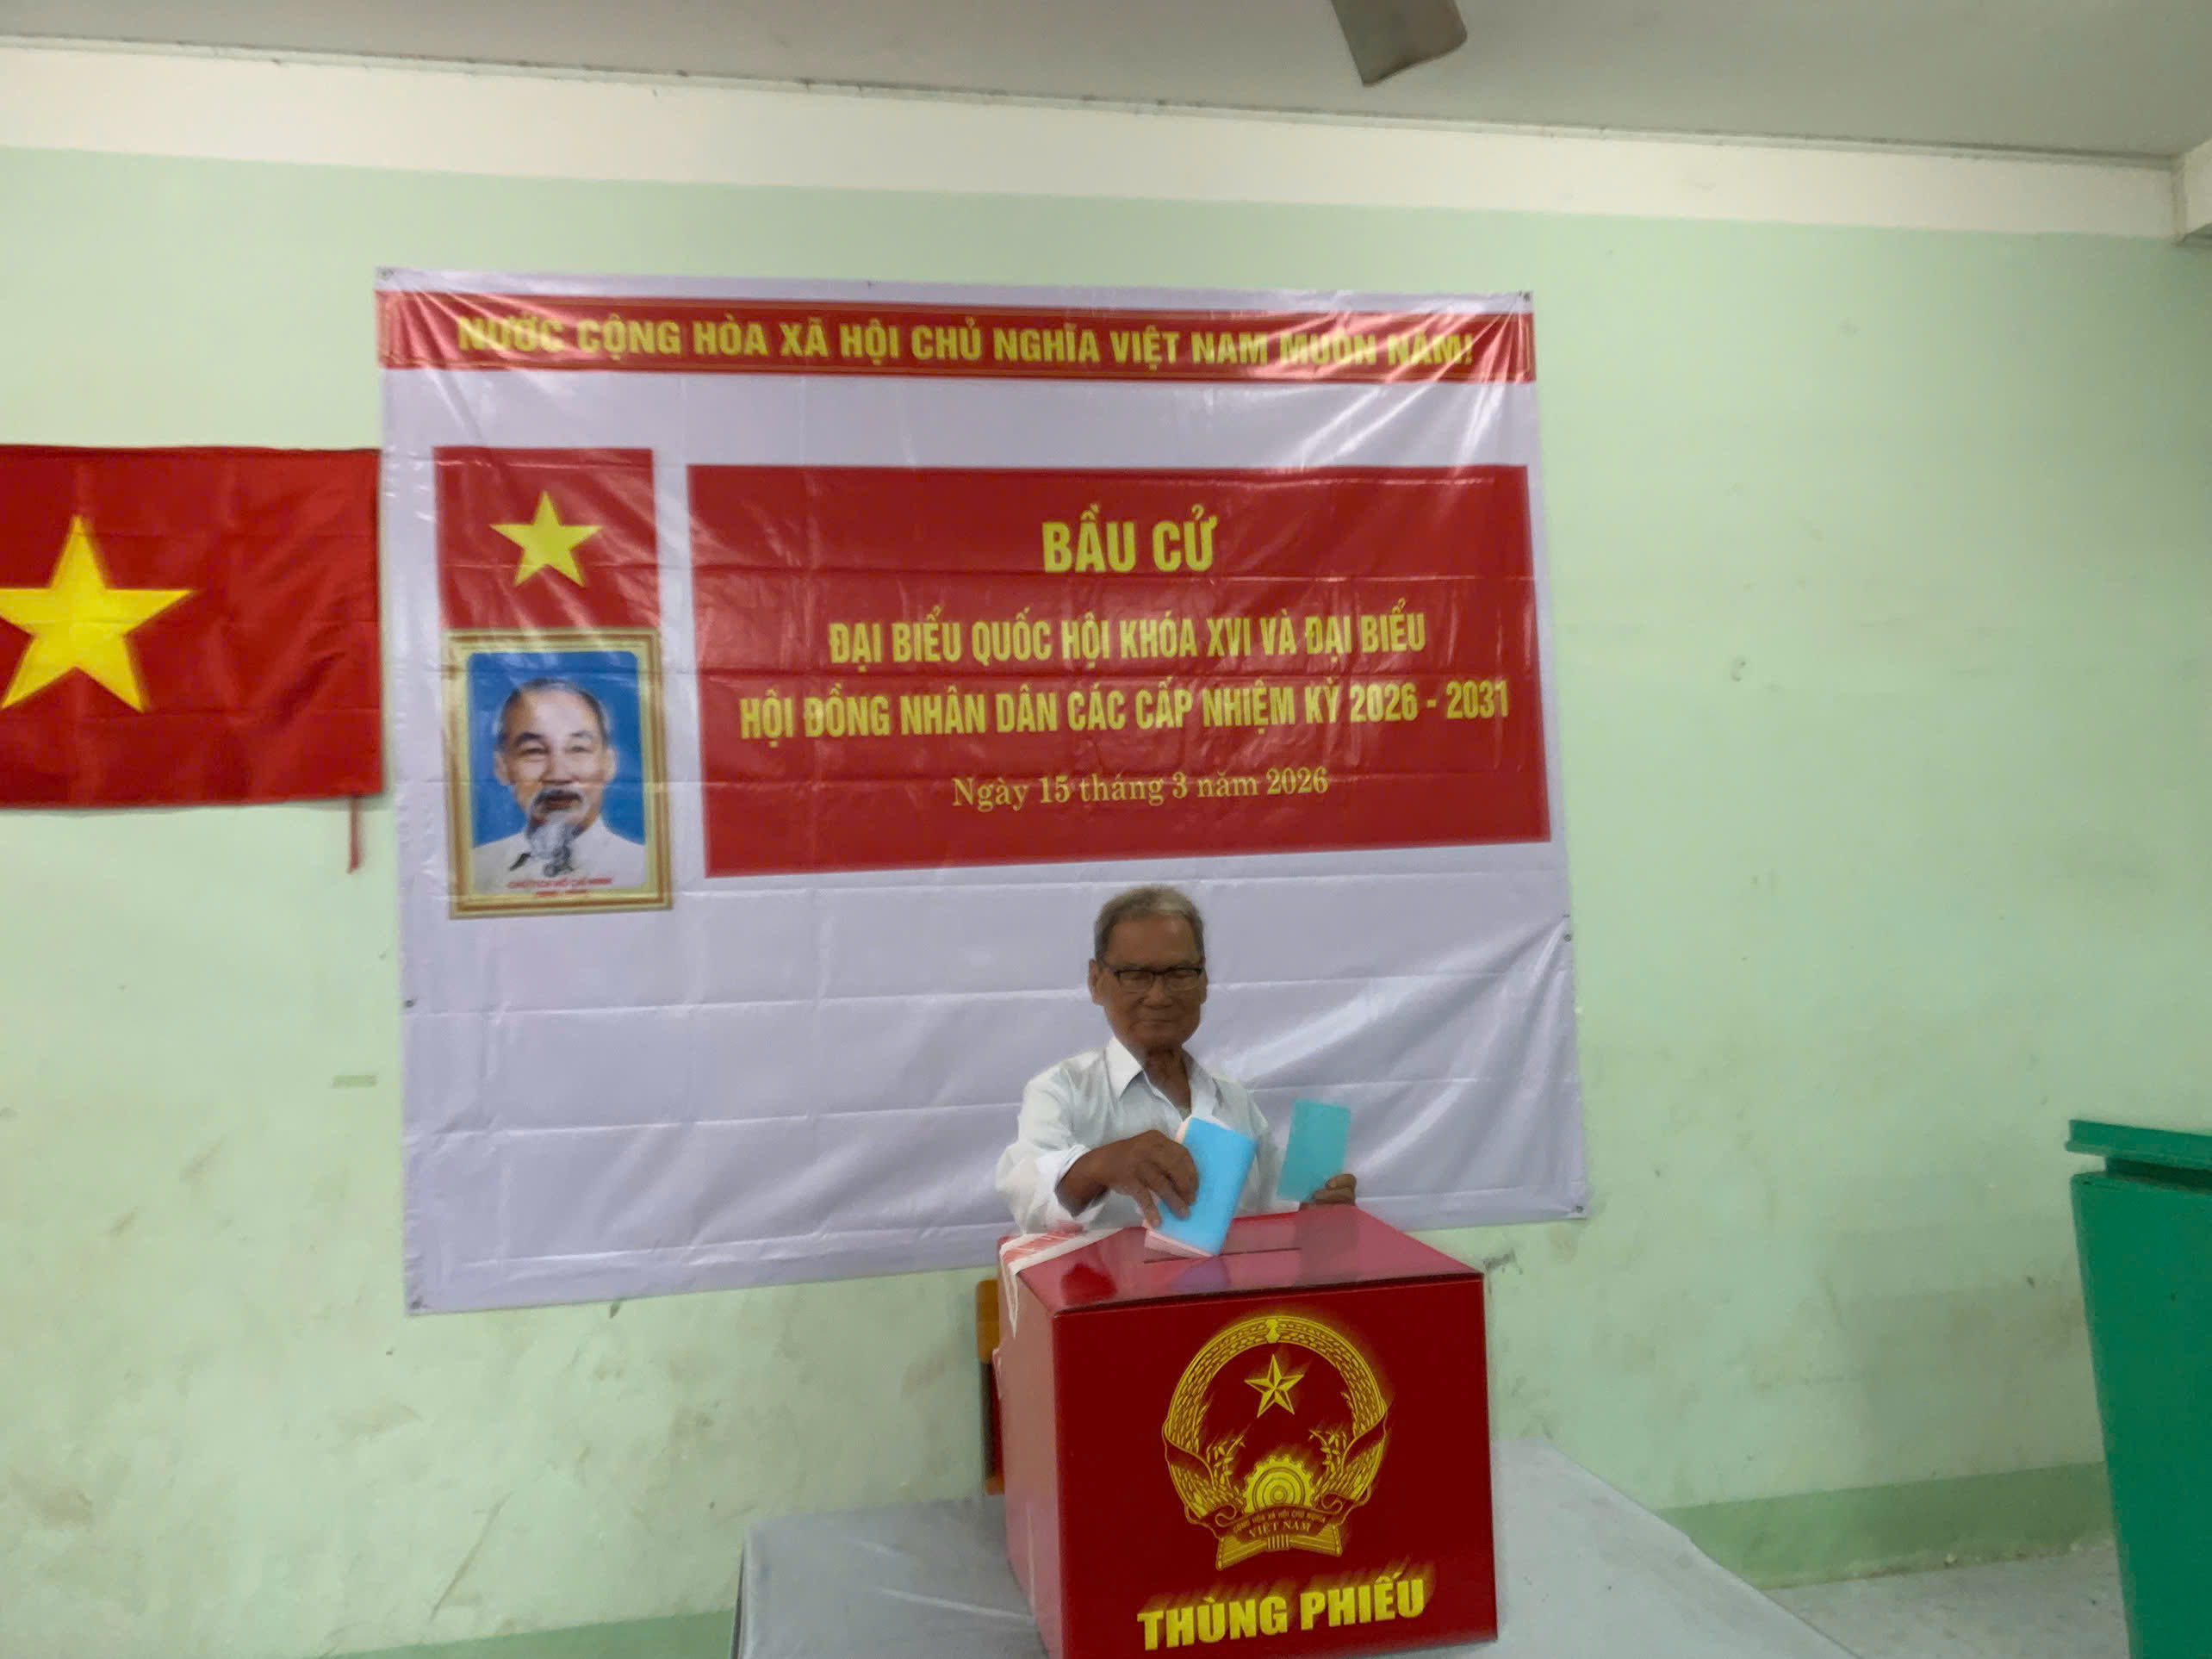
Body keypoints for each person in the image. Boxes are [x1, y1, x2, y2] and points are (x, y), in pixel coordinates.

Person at [996, 885, 1357, 1233]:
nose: (1158, 997)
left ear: (1203, 981)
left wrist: (1317, 1209)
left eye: (1179, 974)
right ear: (1096, 981)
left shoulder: (1232, 1100)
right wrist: (1099, 1166)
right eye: (1135, 975)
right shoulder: (1061, 1091)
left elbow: (1275, 1212)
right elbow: (1029, 1200)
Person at [469, 677, 648, 893]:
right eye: (534, 751)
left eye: (578, 749)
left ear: (609, 764)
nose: (558, 775)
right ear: (503, 768)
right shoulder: (475, 871)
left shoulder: (645, 870)